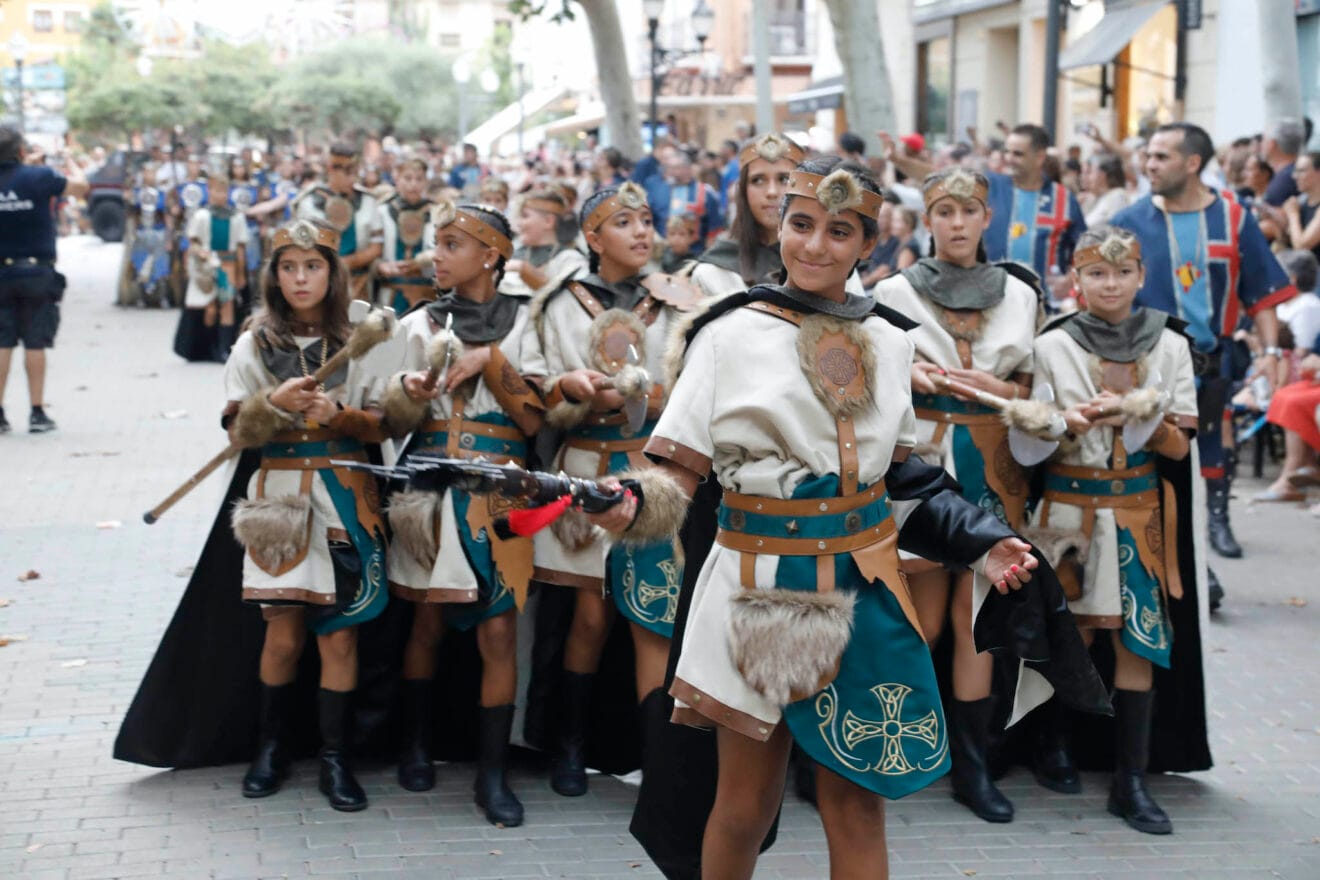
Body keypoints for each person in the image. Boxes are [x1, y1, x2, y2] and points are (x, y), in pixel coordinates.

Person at [594, 157, 1079, 879]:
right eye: (801, 225)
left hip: (864, 586)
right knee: (745, 799)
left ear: (867, 246)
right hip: (758, 586)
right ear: (780, 228)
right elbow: (676, 472)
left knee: (857, 802)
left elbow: (905, 477)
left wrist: (986, 543)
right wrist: (626, 501)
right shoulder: (726, 333)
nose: (815, 245)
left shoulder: (891, 336)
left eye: (839, 231)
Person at [1027, 225, 1209, 834]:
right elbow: (1032, 437)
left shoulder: (1170, 344)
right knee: (1066, 634)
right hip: (1067, 511)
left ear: (1140, 276)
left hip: (1136, 515)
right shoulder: (1052, 344)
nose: (1110, 284)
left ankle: (1131, 780)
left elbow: (1180, 449)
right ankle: (1053, 746)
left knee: (1138, 640)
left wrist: (1143, 416)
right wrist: (1071, 421)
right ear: (1076, 280)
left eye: (1122, 272)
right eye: (1097, 274)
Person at [873, 167, 1041, 823]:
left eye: (969, 210)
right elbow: (870, 373)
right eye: (944, 210)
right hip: (924, 460)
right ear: (929, 218)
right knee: (922, 616)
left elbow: (1030, 385)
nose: (957, 222)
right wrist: (907, 371)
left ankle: (974, 768)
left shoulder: (1021, 293)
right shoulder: (892, 289)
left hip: (994, 463)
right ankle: (907, 748)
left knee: (978, 619)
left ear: (986, 217)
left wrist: (994, 390)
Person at [520, 182, 696, 798]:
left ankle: (658, 757)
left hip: (653, 478)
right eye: (624, 222)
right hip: (588, 468)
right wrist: (569, 386)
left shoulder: (678, 301)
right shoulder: (557, 305)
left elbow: (699, 379)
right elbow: (532, 385)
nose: (642, 231)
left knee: (654, 616)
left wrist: (655, 397)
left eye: (647, 218)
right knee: (588, 617)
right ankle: (569, 744)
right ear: (592, 238)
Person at [381, 201, 545, 826]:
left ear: (491, 255)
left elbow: (535, 422)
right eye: (436, 243)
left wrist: (492, 362)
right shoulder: (419, 322)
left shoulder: (527, 324)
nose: (436, 255)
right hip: (432, 486)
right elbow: (389, 418)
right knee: (425, 620)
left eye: (451, 244)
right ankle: (416, 743)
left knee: (498, 630)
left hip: (501, 492)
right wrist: (408, 393)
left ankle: (492, 775)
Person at [222, 219, 394, 812]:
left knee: (340, 637)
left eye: (313, 266)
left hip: (346, 495)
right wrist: (272, 404)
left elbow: (384, 425)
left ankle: (335, 761)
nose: (301, 278)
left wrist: (338, 414)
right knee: (282, 634)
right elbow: (234, 430)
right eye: (289, 267)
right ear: (274, 275)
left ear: (332, 272)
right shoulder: (253, 344)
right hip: (280, 501)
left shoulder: (363, 339)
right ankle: (269, 751)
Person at [1112, 122, 1294, 569]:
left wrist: (1271, 353)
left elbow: (1261, 292)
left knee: (1216, 439)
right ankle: (1181, 557)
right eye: (1148, 155)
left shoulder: (1233, 218)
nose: (1148, 164)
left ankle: (1217, 520)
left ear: (1192, 164)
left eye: (1160, 157)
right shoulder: (1129, 222)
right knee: (1154, 450)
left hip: (1214, 357)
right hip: (1147, 360)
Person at [885, 124, 1087, 298]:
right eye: (1007, 151)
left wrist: (1070, 279)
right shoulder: (991, 185)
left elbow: (1084, 252)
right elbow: (940, 178)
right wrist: (897, 160)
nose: (1008, 158)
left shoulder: (1064, 200)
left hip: (1044, 306)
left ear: (1039, 157)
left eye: (1017, 154)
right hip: (988, 300)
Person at [0, 126, 86, 435]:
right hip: (37, 274)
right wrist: (68, 161)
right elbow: (81, 187)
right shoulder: (39, 177)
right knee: (35, 342)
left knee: (2, 342)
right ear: (21, 151)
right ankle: (37, 412)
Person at [685, 133, 809, 299]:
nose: (771, 192)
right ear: (743, 189)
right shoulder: (714, 271)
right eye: (758, 180)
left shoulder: (828, 262)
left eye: (784, 179)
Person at [173, 170, 248, 363]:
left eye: (224, 191)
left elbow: (240, 247)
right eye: (216, 191)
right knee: (209, 307)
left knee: (227, 305)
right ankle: (205, 347)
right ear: (209, 191)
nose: (220, 195)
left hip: (228, 266)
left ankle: (224, 349)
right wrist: (199, 252)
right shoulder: (201, 216)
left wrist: (241, 274)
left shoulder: (236, 217)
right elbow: (193, 241)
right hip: (207, 267)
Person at [295, 143, 384, 302]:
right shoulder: (309, 202)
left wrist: (344, 263)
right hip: (319, 285)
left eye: (356, 172)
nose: (353, 178)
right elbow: (301, 247)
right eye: (347, 173)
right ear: (331, 169)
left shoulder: (368, 202)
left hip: (359, 283)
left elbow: (376, 247)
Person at [502, 188, 588, 299]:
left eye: (525, 216)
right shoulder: (512, 255)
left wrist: (524, 270)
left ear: (548, 221)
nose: (519, 223)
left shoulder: (571, 261)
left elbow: (569, 303)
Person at [377, 157, 436, 314]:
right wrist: (379, 266)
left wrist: (426, 260)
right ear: (397, 179)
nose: (413, 184)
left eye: (419, 179)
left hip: (426, 293)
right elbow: (374, 249)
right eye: (407, 178)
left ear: (425, 182)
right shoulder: (383, 212)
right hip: (390, 292)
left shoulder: (436, 213)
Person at [645, 149, 725, 256]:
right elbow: (649, 220)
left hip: (695, 255)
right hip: (663, 255)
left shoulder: (704, 192)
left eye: (676, 168)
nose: (670, 172)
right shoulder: (658, 191)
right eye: (668, 168)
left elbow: (714, 230)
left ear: (688, 168)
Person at [1282, 151, 1320, 261]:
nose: (1295, 176)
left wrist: (1293, 215)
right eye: (1295, 171)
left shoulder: (1296, 210)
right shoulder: (1302, 204)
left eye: (1301, 171)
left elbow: (1302, 246)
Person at [1262, 118, 1305, 207]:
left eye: (1264, 140)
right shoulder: (1296, 172)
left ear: (1272, 144)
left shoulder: (1284, 179)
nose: (1261, 144)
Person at [1083, 153, 1132, 227]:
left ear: (1102, 175)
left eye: (1090, 172)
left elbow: (1117, 230)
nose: (1085, 177)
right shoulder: (1095, 197)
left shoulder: (1117, 196)